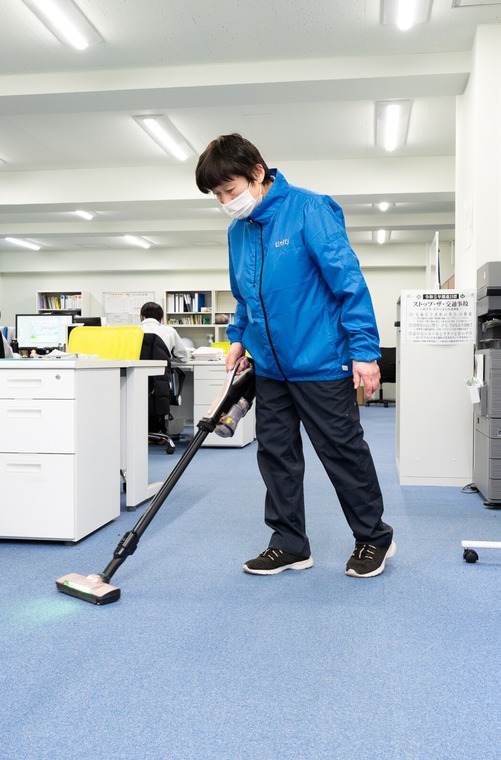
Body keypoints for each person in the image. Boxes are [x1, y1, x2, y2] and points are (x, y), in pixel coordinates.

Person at [194, 133, 395, 579]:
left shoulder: (310, 209)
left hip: (320, 362)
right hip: (270, 369)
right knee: (276, 456)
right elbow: (245, 296)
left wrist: (364, 351)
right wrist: (238, 338)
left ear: (257, 173)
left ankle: (373, 537)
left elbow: (349, 282)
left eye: (229, 190)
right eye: (217, 195)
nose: (225, 201)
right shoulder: (238, 232)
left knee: (342, 453)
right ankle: (288, 543)